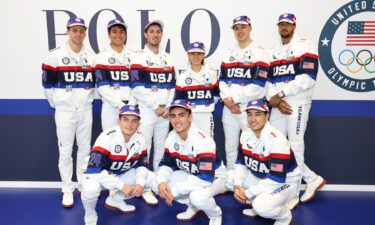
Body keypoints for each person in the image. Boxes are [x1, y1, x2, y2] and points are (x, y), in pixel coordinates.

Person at [266, 13, 325, 206]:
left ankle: (292, 195)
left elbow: (307, 77)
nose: (284, 27)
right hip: (278, 104)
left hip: (297, 103)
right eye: (281, 24)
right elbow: (268, 81)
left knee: (295, 145)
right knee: (276, 145)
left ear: (294, 26)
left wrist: (280, 94)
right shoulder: (274, 49)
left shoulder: (305, 44)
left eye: (288, 24)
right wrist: (274, 99)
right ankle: (310, 178)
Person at [42, 17, 95, 208]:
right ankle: (67, 189)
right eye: (75, 30)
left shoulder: (91, 57)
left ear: (85, 33)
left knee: (84, 149)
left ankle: (82, 184)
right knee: (65, 152)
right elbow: (47, 85)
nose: (78, 34)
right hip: (64, 111)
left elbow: (94, 84)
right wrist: (57, 102)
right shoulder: (54, 55)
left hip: (85, 110)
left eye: (81, 31)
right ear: (68, 31)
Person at [227, 99, 301, 225]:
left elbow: (276, 179)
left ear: (267, 116)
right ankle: (257, 201)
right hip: (262, 177)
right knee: (228, 178)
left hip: (285, 182)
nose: (252, 119)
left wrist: (248, 193)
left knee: (261, 206)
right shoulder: (245, 134)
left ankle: (285, 216)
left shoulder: (277, 139)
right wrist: (238, 185)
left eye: (258, 114)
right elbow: (240, 163)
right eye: (249, 114)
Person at [81, 105, 157, 225]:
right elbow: (93, 171)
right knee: (91, 189)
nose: (129, 124)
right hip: (96, 175)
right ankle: (90, 216)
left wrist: (140, 183)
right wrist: (121, 186)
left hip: (119, 173)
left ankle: (115, 200)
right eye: (125, 119)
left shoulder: (141, 139)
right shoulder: (106, 137)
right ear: (118, 121)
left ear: (139, 124)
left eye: (134, 120)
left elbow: (142, 166)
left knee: (151, 177)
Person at [156, 99, 227, 225]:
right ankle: (193, 206)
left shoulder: (203, 140)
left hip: (215, 178)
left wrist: (175, 191)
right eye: (173, 116)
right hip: (193, 173)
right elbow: (167, 164)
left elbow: (205, 178)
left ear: (190, 117)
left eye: (181, 115)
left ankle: (215, 214)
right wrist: (161, 182)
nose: (177, 120)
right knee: (159, 182)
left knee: (197, 197)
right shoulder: (172, 136)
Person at [219, 15, 269, 170]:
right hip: (229, 108)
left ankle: (255, 177)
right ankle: (233, 180)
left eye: (243, 27)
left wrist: (234, 99)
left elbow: (259, 85)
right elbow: (222, 81)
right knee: (230, 146)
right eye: (236, 28)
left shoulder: (260, 52)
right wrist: (228, 100)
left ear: (250, 28)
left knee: (254, 145)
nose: (240, 31)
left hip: (249, 108)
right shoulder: (228, 53)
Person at [130, 20, 176, 170]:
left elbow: (173, 86)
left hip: (165, 113)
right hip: (148, 111)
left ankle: (157, 181)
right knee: (144, 147)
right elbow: (137, 87)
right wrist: (155, 106)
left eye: (158, 31)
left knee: (161, 149)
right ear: (145, 35)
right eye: (152, 31)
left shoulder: (168, 58)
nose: (155, 34)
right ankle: (143, 184)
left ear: (161, 34)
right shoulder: (138, 57)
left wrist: (168, 107)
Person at [95, 19, 136, 130]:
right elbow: (102, 87)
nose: (118, 34)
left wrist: (131, 104)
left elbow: (137, 84)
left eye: (121, 31)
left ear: (126, 35)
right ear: (109, 34)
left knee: (131, 144)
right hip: (111, 108)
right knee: (110, 143)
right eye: (114, 31)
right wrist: (120, 104)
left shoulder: (134, 56)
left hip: (131, 106)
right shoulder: (101, 56)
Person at [175, 42, 219, 137]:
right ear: (188, 56)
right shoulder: (182, 77)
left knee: (207, 144)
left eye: (199, 53)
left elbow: (216, 95)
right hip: (189, 117)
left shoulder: (212, 74)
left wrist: (208, 105)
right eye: (192, 53)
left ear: (203, 55)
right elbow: (179, 100)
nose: (196, 56)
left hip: (206, 116)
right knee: (189, 144)